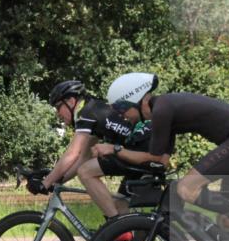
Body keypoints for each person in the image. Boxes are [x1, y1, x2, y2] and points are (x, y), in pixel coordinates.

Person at [97, 72, 229, 241]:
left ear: (137, 101)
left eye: (122, 110)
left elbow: (153, 157)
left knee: (187, 189)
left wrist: (115, 149)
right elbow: (161, 159)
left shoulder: (162, 109)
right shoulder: (165, 108)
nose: (123, 117)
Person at [31, 80, 163, 227]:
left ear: (71, 100)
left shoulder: (85, 113)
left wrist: (45, 183)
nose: (57, 113)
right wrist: (58, 181)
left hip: (141, 151)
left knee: (86, 172)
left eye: (58, 107)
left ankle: (114, 227)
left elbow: (72, 154)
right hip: (139, 148)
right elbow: (82, 158)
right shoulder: (93, 111)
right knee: (119, 205)